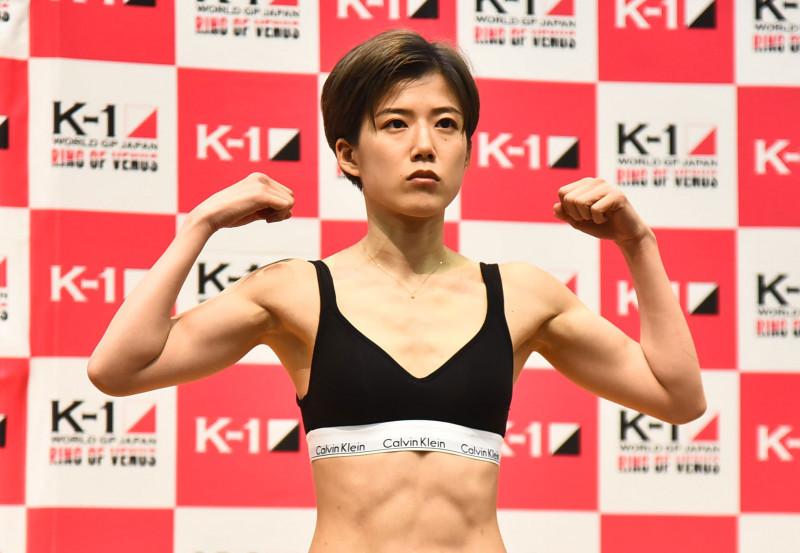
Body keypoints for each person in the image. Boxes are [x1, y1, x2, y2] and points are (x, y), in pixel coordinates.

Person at [88, 29, 706, 552]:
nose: (425, 145)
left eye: (447, 124)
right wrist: (200, 224)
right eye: (395, 124)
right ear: (349, 154)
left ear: (468, 149)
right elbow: (117, 369)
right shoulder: (296, 292)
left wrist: (638, 243)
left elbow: (678, 398)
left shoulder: (522, 295)